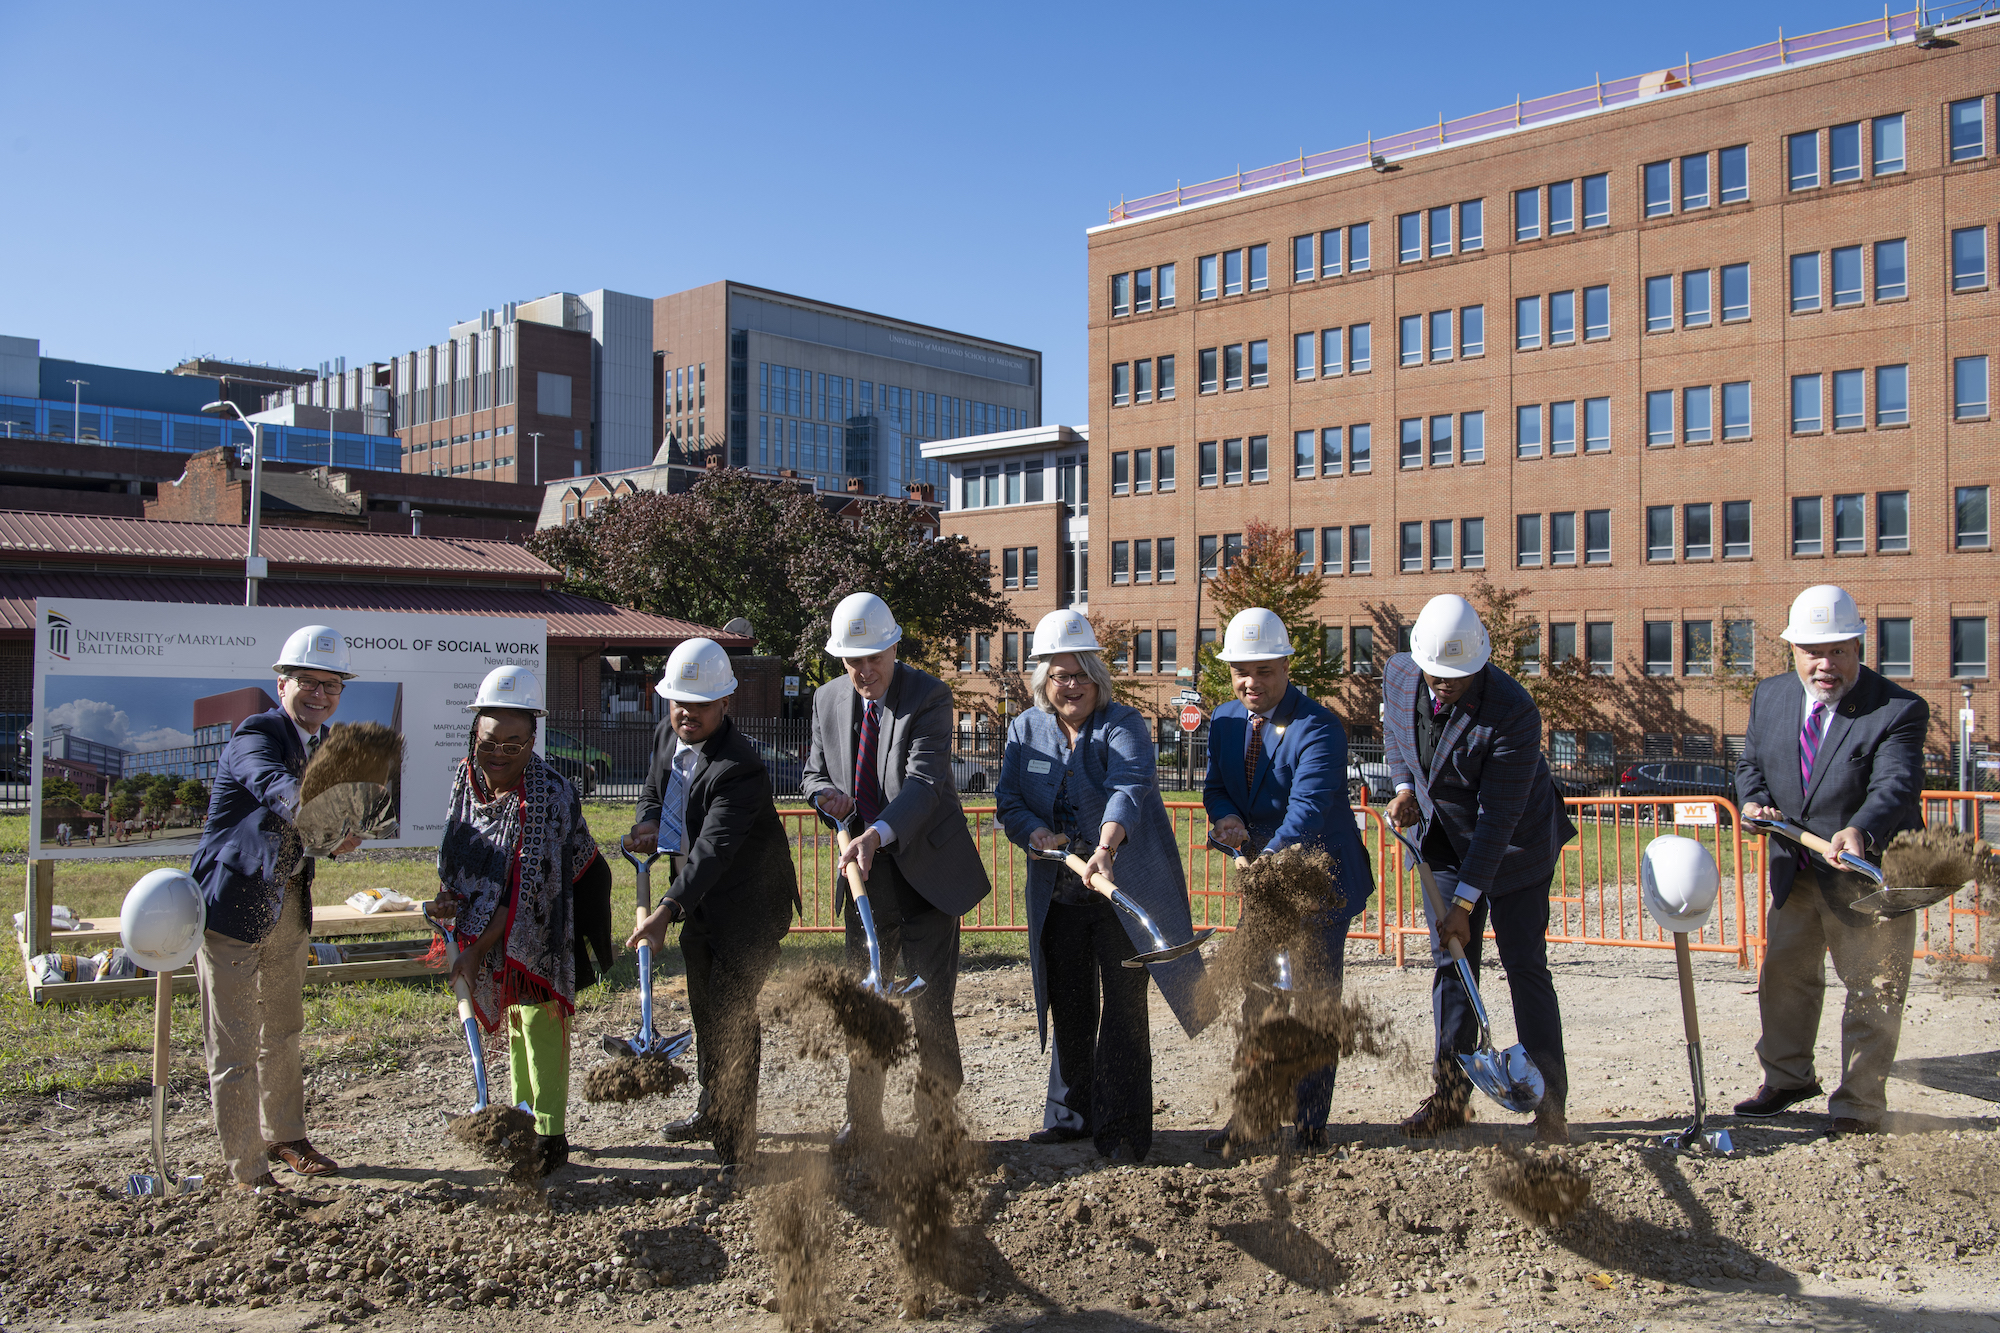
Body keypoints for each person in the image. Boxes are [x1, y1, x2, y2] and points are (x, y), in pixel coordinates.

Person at [996, 610, 1215, 1162]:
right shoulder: (1025, 730)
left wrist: (1104, 849)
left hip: (1120, 890)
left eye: (1080, 673)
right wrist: (1034, 833)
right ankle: (1070, 1115)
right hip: (1060, 895)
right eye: (1059, 675)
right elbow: (1009, 803)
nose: (1070, 685)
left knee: (1122, 1009)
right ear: (1043, 679)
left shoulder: (1123, 725)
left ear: (1098, 675)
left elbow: (1129, 788)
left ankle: (1122, 1129)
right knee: (1070, 1003)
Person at [1732, 584, 1927, 1138]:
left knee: (1873, 988)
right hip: (1796, 870)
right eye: (1814, 651)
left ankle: (1860, 1102)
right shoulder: (1769, 696)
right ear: (1792, 650)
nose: (1826, 664)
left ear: (1859, 645)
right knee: (1785, 978)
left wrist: (1860, 830)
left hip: (1868, 875)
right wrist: (1751, 801)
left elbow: (1895, 784)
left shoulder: (1898, 709)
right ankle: (1788, 1077)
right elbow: (1751, 763)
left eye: (1839, 650)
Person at [1382, 594, 1578, 1143]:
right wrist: (1403, 788)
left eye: (1459, 676)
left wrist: (1466, 905)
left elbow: (1497, 822)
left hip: (1515, 848)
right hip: (1442, 840)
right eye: (1437, 675)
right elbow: (1399, 737)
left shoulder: (1512, 710)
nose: (1445, 684)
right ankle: (1450, 1099)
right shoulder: (1399, 674)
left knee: (1523, 965)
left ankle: (1550, 1104)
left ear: (1480, 662)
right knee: (1451, 961)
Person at [802, 591, 992, 1147]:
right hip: (865, 879)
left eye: (874, 658)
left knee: (930, 1001)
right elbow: (812, 774)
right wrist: (827, 798)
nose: (864, 671)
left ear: (893, 647)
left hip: (924, 871)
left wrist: (876, 833)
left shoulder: (929, 696)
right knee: (865, 1001)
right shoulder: (826, 700)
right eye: (853, 661)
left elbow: (926, 783)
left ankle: (936, 1117)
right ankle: (862, 1120)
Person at [188, 624, 363, 1190]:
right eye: (308, 682)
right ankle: (247, 1167)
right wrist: (324, 820)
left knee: (283, 1029)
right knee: (234, 1042)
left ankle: (285, 1135)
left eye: (331, 684)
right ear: (281, 682)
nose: (320, 694)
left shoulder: (328, 742)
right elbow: (275, 787)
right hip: (233, 906)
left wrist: (345, 830)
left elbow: (326, 822)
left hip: (287, 902)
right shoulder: (255, 733)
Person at [1202, 607, 1376, 1153]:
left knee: (1313, 1000)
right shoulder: (1226, 720)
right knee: (1261, 999)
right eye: (1240, 672)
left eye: (1264, 671)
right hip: (1264, 880)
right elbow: (1215, 787)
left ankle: (1309, 1122)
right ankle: (1252, 1114)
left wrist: (1267, 856)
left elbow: (1308, 807)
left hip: (1316, 879)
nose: (1251, 683)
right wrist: (1225, 819)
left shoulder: (1318, 726)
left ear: (1285, 666)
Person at [628, 638, 800, 1171]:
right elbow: (654, 792)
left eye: (699, 704)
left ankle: (736, 1141)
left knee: (731, 1014)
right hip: (699, 903)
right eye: (678, 701)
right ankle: (712, 1106)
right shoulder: (666, 733)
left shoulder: (739, 767)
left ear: (726, 702)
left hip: (749, 903)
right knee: (705, 1008)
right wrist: (648, 821)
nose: (686, 713)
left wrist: (664, 910)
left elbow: (713, 851)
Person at [437, 664, 609, 1177]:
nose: (498, 754)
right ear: (475, 733)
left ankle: (552, 1133)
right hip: (482, 926)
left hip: (543, 926)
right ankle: (520, 1117)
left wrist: (477, 947)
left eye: (514, 744)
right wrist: (449, 901)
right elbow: (455, 853)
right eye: (490, 741)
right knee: (514, 1022)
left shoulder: (549, 796)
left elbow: (529, 893)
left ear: (533, 740)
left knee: (540, 1021)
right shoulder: (465, 781)